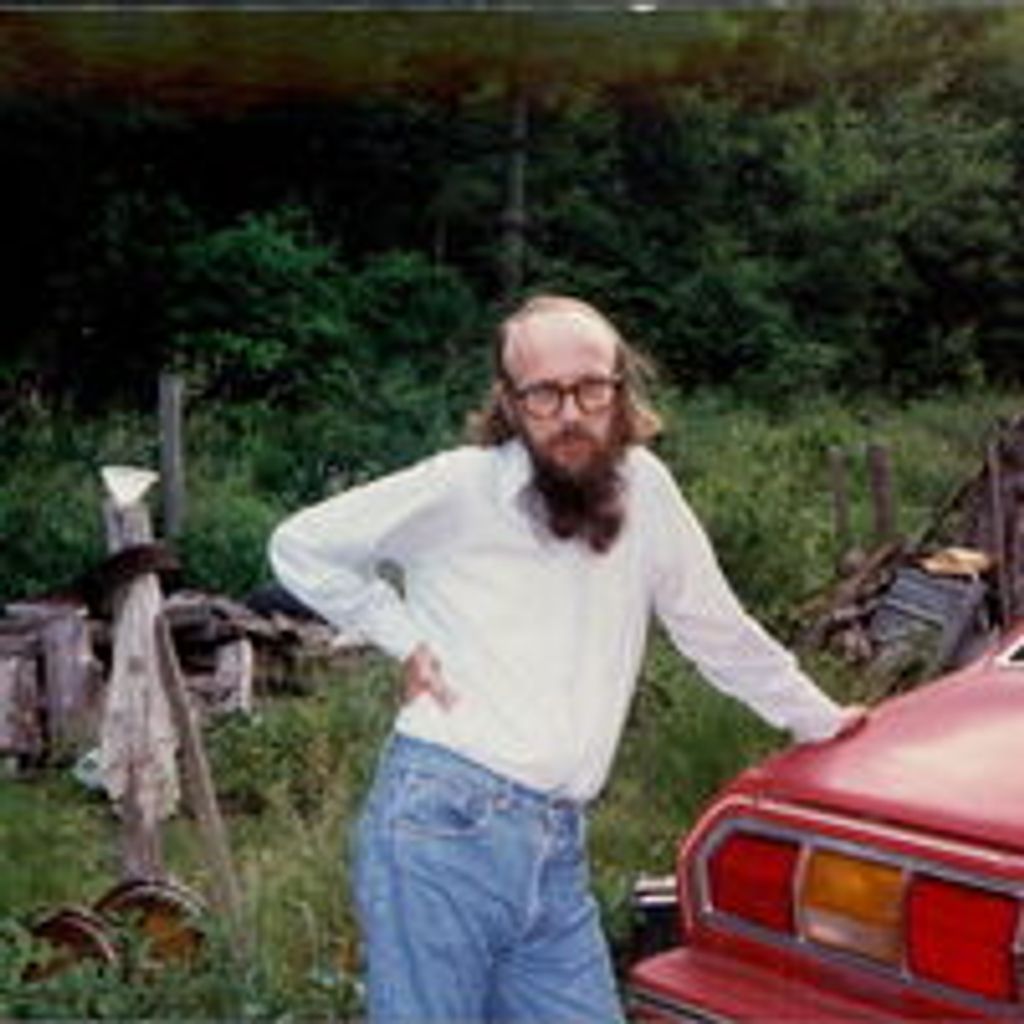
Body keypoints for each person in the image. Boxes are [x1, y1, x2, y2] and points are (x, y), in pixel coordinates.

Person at [268, 294, 865, 1024]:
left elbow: (715, 629)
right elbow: (301, 546)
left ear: (621, 388)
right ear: (510, 401)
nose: (571, 413)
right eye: (544, 394)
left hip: (555, 844)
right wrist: (402, 637)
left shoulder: (647, 491)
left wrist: (818, 720)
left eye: (590, 389)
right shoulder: (463, 486)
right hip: (441, 828)